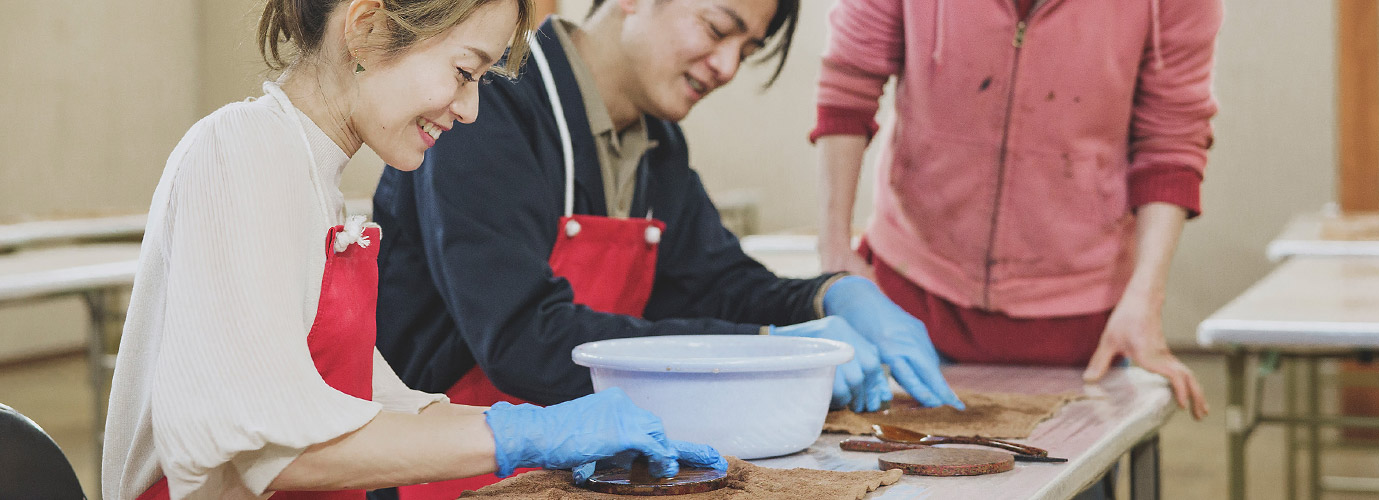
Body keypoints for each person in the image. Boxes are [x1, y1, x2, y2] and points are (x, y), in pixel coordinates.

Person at [100, 1, 725, 498]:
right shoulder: (239, 151)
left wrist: (572, 432)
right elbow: (264, 447)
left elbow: (372, 408)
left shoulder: (315, 184)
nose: (472, 108)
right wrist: (524, 434)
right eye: (464, 72)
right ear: (367, 30)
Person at [371, 0, 963, 496]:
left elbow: (719, 282)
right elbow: (524, 336)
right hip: (453, 478)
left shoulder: (658, 146)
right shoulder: (486, 104)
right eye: (717, 28)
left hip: (572, 480)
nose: (728, 65)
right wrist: (756, 352)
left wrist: (830, 295)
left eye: (748, 50)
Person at [811, 0, 1216, 422]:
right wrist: (835, 251)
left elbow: (1170, 142)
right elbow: (848, 87)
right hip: (909, 306)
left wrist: (1145, 297)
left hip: (1078, 329)